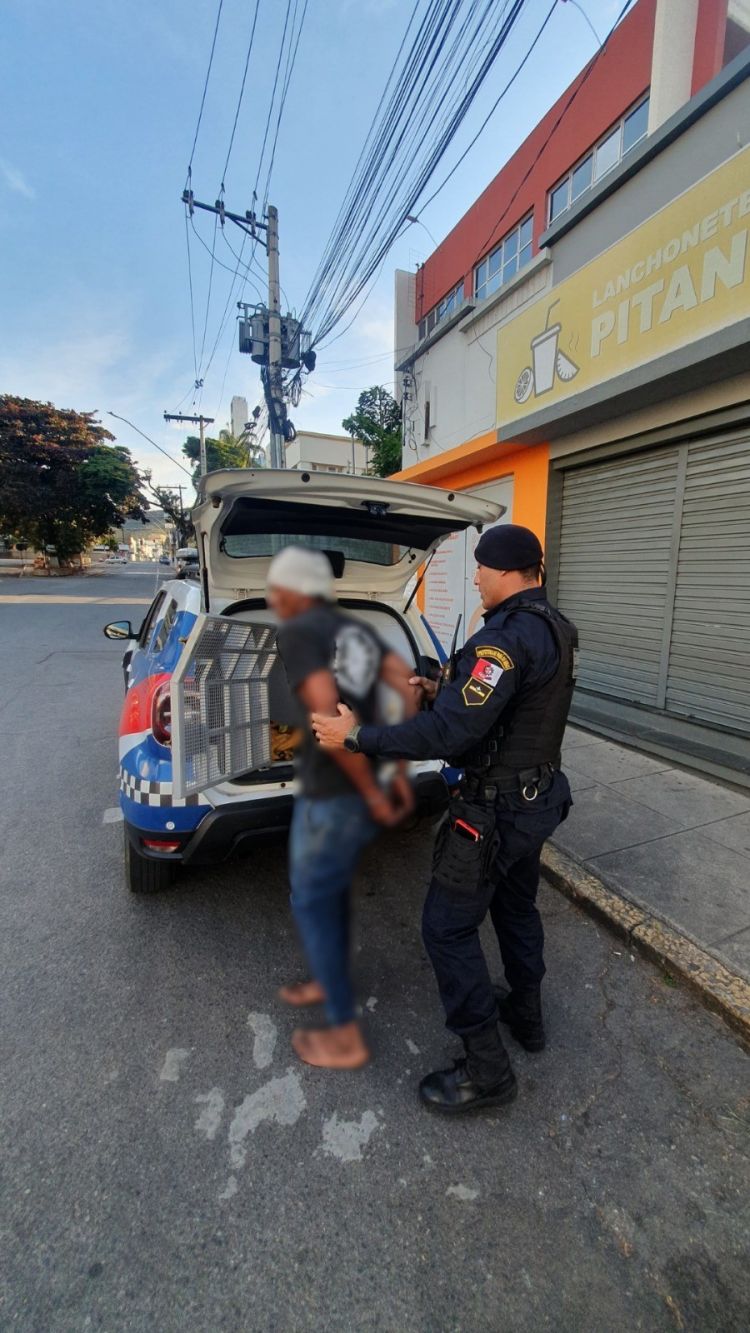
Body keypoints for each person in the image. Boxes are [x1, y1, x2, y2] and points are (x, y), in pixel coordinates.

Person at [311, 524, 578, 1114]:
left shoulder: (503, 642)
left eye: (481, 569)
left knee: (446, 928)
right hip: (536, 801)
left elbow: (452, 731)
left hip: (496, 810)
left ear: (507, 570)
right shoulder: (552, 626)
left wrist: (355, 735)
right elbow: (505, 708)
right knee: (515, 906)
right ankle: (527, 1019)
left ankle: (487, 1072)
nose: (476, 579)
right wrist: (438, 685)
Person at [267, 545, 418, 1071]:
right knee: (326, 893)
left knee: (309, 898)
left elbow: (331, 723)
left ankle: (344, 1034)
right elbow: (407, 687)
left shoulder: (299, 630)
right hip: (368, 774)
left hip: (334, 792)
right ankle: (327, 976)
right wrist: (395, 771)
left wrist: (374, 790)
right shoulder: (356, 628)